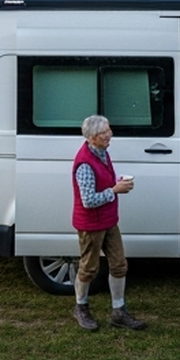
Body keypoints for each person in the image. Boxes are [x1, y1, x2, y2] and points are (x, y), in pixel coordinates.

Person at [70, 114, 147, 331]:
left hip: (109, 220)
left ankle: (118, 311)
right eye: (105, 132)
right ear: (93, 137)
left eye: (109, 130)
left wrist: (116, 184)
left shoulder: (102, 152)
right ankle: (81, 308)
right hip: (91, 224)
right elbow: (88, 200)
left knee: (119, 264)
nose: (110, 134)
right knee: (89, 268)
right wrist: (115, 190)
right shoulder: (84, 163)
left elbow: (101, 185)